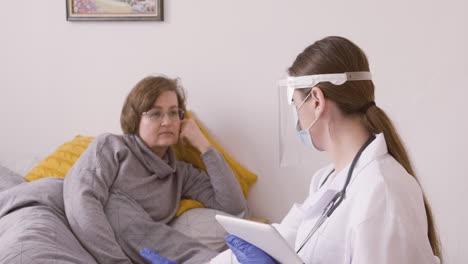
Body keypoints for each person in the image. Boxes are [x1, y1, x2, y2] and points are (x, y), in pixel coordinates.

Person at [208, 36, 441, 263]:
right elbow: (285, 238)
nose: (296, 117)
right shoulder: (327, 179)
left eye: (295, 104)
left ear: (317, 101)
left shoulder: (382, 193)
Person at [63, 76, 246, 264]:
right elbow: (81, 201)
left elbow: (233, 206)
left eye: (174, 113)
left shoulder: (179, 174)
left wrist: (203, 146)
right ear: (135, 119)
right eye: (155, 113)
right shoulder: (111, 146)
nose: (167, 122)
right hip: (64, 224)